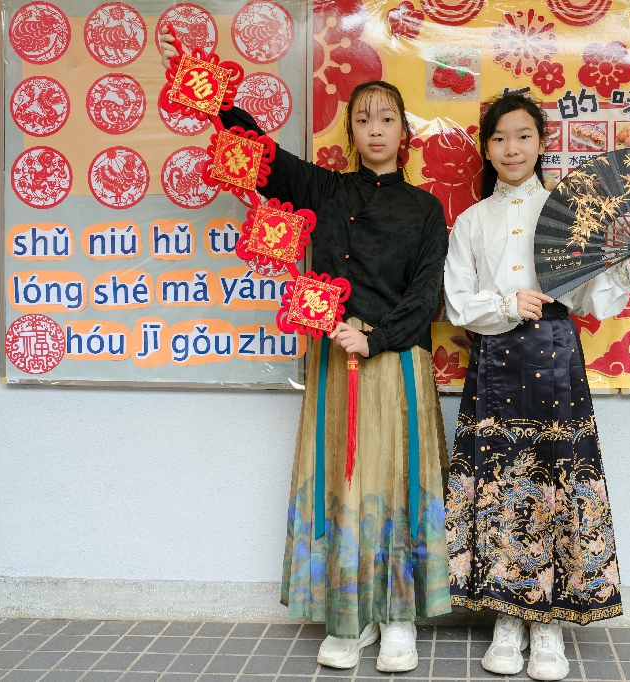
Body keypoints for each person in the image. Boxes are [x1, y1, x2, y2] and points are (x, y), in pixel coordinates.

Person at [160, 30, 451, 674]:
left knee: (396, 484)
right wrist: (213, 100)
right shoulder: (325, 189)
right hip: (333, 362)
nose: (376, 129)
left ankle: (398, 617)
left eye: (387, 119)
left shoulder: (427, 209)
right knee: (340, 481)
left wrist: (373, 336)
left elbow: (426, 294)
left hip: (397, 362)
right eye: (363, 119)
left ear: (405, 132)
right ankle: (349, 616)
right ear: (351, 132)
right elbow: (262, 157)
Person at [442, 94, 630, 681]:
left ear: (542, 143)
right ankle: (506, 617)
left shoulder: (571, 214)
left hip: (557, 357)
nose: (511, 149)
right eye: (498, 138)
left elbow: (592, 298)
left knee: (556, 481)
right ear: (486, 149)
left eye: (523, 136)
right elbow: (459, 303)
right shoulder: (471, 222)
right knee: (499, 484)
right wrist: (504, 304)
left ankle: (549, 622)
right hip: (495, 361)